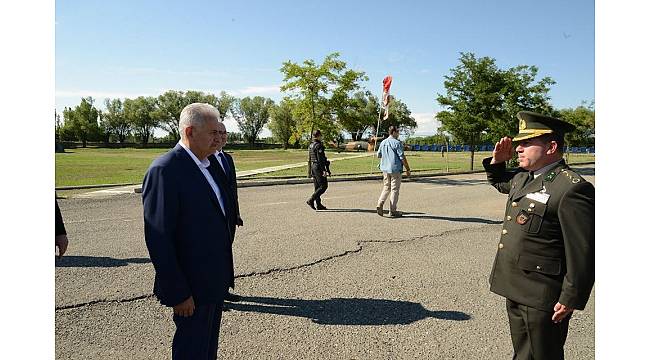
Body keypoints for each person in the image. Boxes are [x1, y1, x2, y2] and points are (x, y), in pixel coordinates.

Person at [483, 111, 595, 360]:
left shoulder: (572, 188)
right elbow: (501, 182)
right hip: (515, 285)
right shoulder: (524, 177)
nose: (518, 148)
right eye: (518, 143)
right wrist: (498, 161)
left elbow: (583, 250)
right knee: (523, 352)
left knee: (544, 354)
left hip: (542, 295)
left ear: (552, 147)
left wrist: (570, 297)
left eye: (526, 143)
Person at [142, 103, 233, 359]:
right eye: (213, 132)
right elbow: (159, 237)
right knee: (191, 350)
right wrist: (178, 292)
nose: (219, 138)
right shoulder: (166, 170)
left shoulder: (209, 165)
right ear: (190, 131)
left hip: (213, 281)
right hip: (190, 287)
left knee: (206, 349)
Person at [207, 121, 244, 304]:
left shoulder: (227, 158)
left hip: (229, 217)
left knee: (225, 253)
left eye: (224, 133)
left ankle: (223, 290)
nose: (221, 136)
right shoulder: (206, 159)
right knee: (214, 255)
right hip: (215, 219)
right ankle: (214, 294)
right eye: (217, 132)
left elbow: (232, 189)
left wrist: (236, 213)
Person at [376, 125, 411, 218]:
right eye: (398, 132)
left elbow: (378, 155)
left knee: (386, 187)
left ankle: (380, 203)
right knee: (394, 190)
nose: (399, 134)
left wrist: (386, 155)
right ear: (394, 132)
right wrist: (407, 169)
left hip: (385, 169)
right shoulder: (397, 143)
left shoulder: (383, 142)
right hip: (395, 169)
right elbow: (402, 157)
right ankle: (393, 210)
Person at [306, 129, 331, 210]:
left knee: (317, 187)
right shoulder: (319, 145)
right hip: (318, 167)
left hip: (314, 166)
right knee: (323, 186)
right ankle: (311, 199)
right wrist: (324, 170)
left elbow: (310, 158)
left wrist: (309, 171)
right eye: (321, 135)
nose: (322, 137)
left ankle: (319, 204)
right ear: (319, 136)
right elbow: (320, 159)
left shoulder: (311, 145)